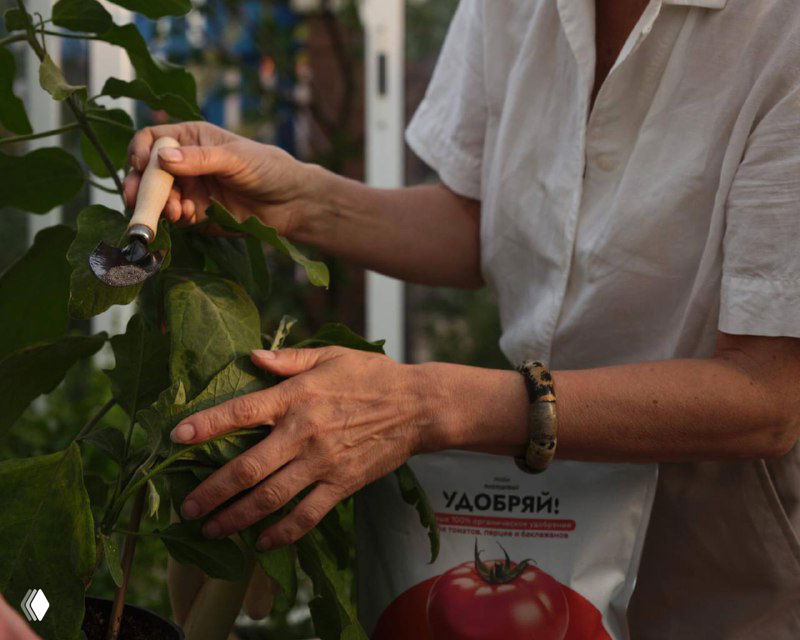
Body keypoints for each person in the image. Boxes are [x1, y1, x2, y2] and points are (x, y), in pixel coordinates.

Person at [125, 0, 800, 636]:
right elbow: (481, 221)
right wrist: (295, 200)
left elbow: (768, 395)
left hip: (731, 566)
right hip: (550, 522)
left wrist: (427, 404)